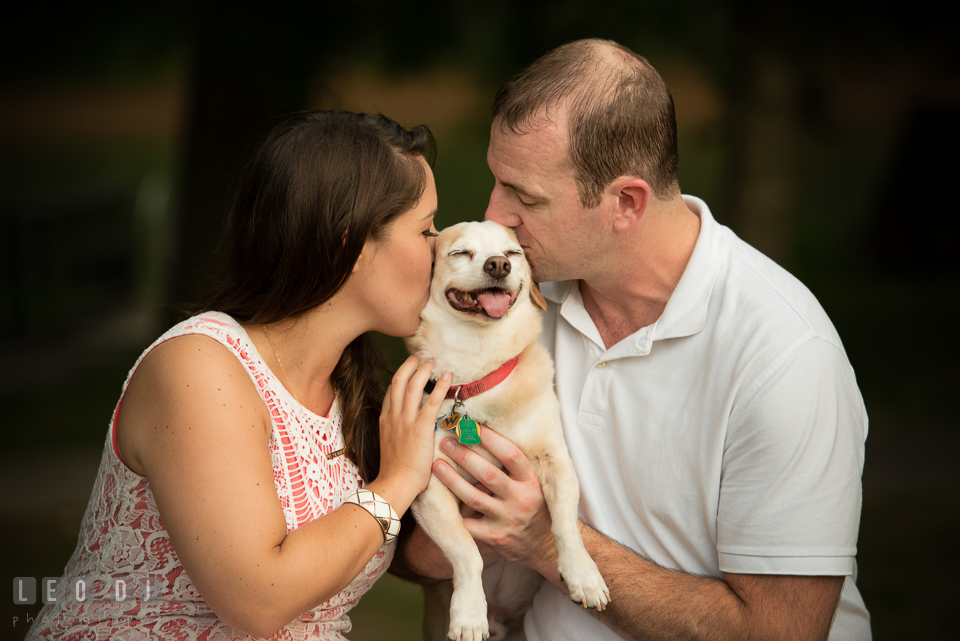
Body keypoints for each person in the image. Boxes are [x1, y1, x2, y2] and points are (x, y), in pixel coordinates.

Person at [397, 39, 871, 640]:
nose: (497, 214)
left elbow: (781, 631)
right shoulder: (508, 306)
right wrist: (453, 525)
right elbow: (412, 557)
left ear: (625, 202)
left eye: (526, 196)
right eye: (497, 182)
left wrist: (545, 541)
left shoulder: (783, 355)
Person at [26, 110, 452, 640]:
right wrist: (398, 483)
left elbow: (384, 547)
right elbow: (258, 598)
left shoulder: (354, 382)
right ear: (351, 247)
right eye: (427, 228)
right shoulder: (199, 369)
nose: (442, 250)